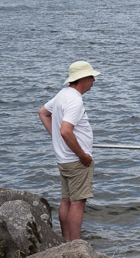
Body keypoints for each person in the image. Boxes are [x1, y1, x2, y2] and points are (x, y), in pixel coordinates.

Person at [38, 61, 100, 240]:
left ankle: (66, 241)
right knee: (77, 203)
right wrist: (83, 156)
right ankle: (75, 244)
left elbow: (42, 112)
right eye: (91, 77)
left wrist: (55, 137)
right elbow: (65, 130)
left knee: (66, 200)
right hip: (76, 160)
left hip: (63, 158)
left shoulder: (62, 94)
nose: (94, 80)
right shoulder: (75, 100)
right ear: (82, 79)